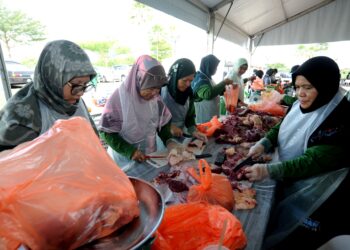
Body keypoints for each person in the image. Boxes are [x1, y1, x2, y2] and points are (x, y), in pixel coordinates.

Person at [244, 56, 350, 249]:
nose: (300, 93)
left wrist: (268, 171)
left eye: (308, 87)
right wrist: (264, 142)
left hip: (319, 194)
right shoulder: (297, 105)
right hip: (293, 181)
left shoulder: (339, 118)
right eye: (297, 87)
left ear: (325, 85)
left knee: (301, 237)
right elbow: (283, 127)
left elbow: (312, 162)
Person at [0, 40, 97, 152]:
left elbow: (94, 141)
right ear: (54, 77)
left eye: (85, 85)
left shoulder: (74, 100)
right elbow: (12, 163)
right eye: (77, 85)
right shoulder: (22, 114)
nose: (81, 93)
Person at [98, 55, 175, 169]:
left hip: (149, 154)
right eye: (151, 88)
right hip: (124, 159)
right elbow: (106, 132)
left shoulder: (155, 99)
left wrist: (169, 141)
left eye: (158, 88)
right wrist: (130, 151)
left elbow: (163, 123)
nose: (155, 93)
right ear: (139, 80)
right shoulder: (119, 99)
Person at [161, 58, 207, 141]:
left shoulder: (188, 94)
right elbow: (152, 118)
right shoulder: (161, 91)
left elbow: (189, 117)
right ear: (175, 76)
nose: (188, 84)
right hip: (162, 139)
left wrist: (193, 130)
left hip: (180, 136)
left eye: (191, 80)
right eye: (185, 80)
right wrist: (169, 126)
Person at [191, 54, 233, 123]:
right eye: (215, 67)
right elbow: (208, 94)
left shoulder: (207, 77)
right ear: (208, 67)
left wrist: (225, 89)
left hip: (211, 116)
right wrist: (224, 82)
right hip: (204, 118)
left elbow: (215, 91)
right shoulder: (200, 79)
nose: (216, 69)